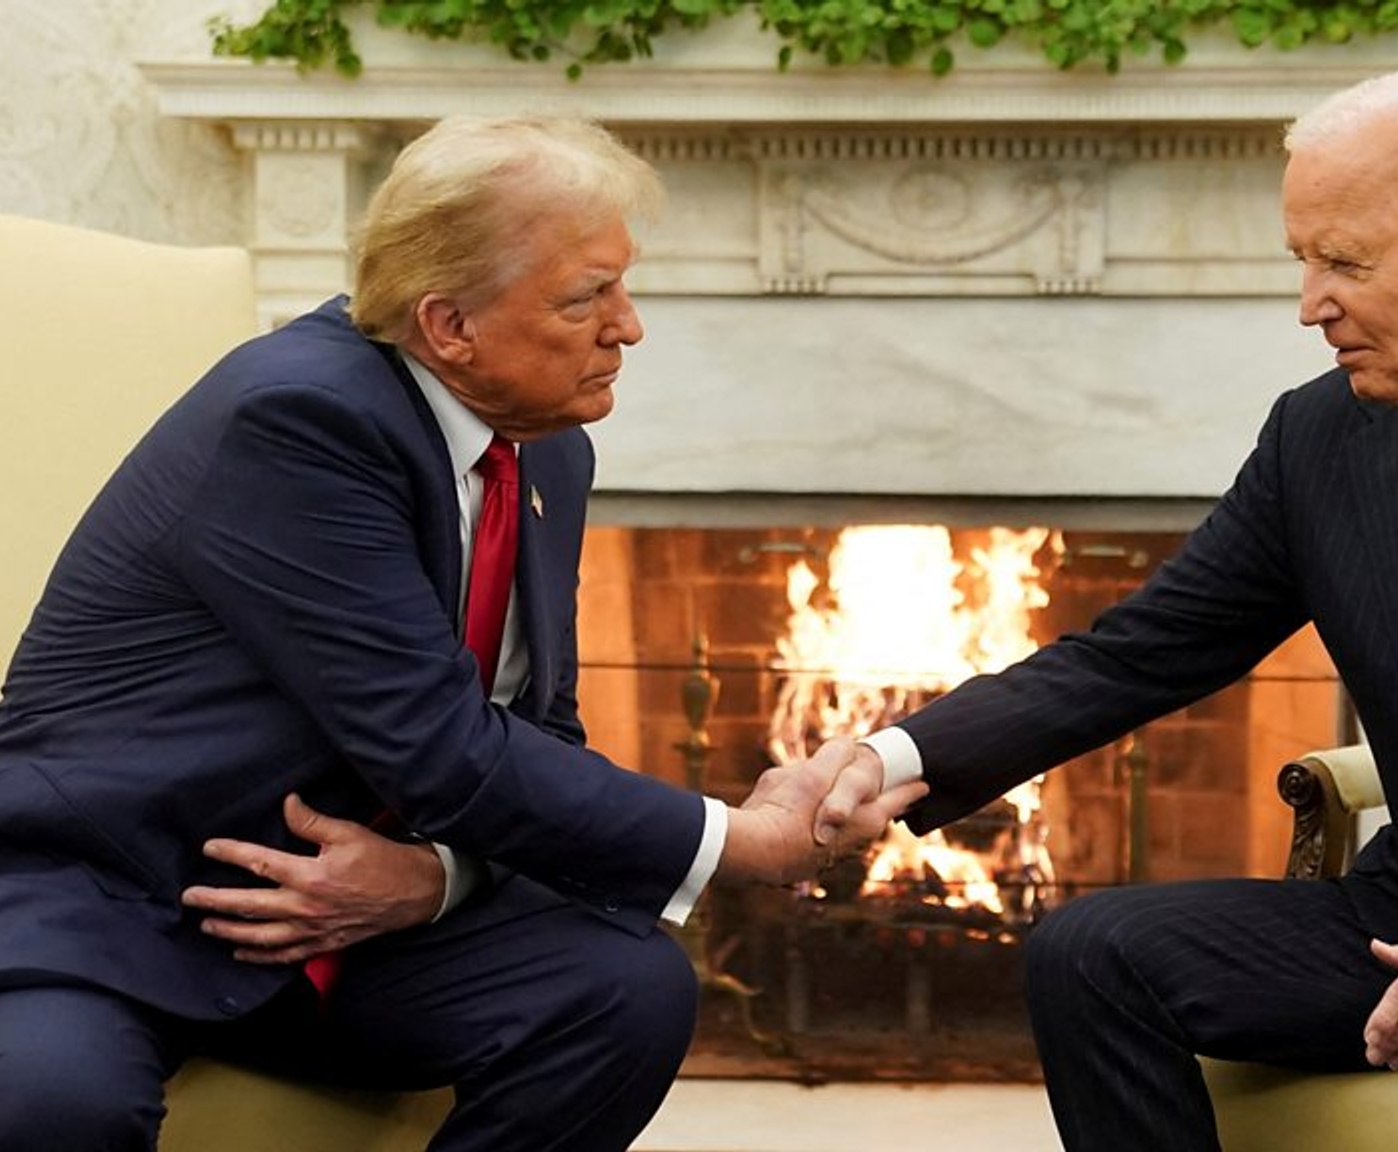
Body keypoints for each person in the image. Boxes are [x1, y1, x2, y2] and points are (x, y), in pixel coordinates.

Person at [812, 68, 1398, 1152]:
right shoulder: (1319, 439)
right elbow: (1137, 653)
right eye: (1301, 260)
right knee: (1091, 953)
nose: (1310, 304)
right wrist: (886, 760)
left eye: (1344, 262)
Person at [0, 116, 920, 1152]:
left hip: (344, 926)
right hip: (119, 901)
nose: (627, 327)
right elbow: (439, 746)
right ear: (448, 325)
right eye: (586, 297)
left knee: (622, 991)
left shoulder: (546, 449)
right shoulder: (299, 419)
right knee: (54, 1105)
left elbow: (538, 731)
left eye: (621, 286)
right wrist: (738, 841)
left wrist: (436, 879)